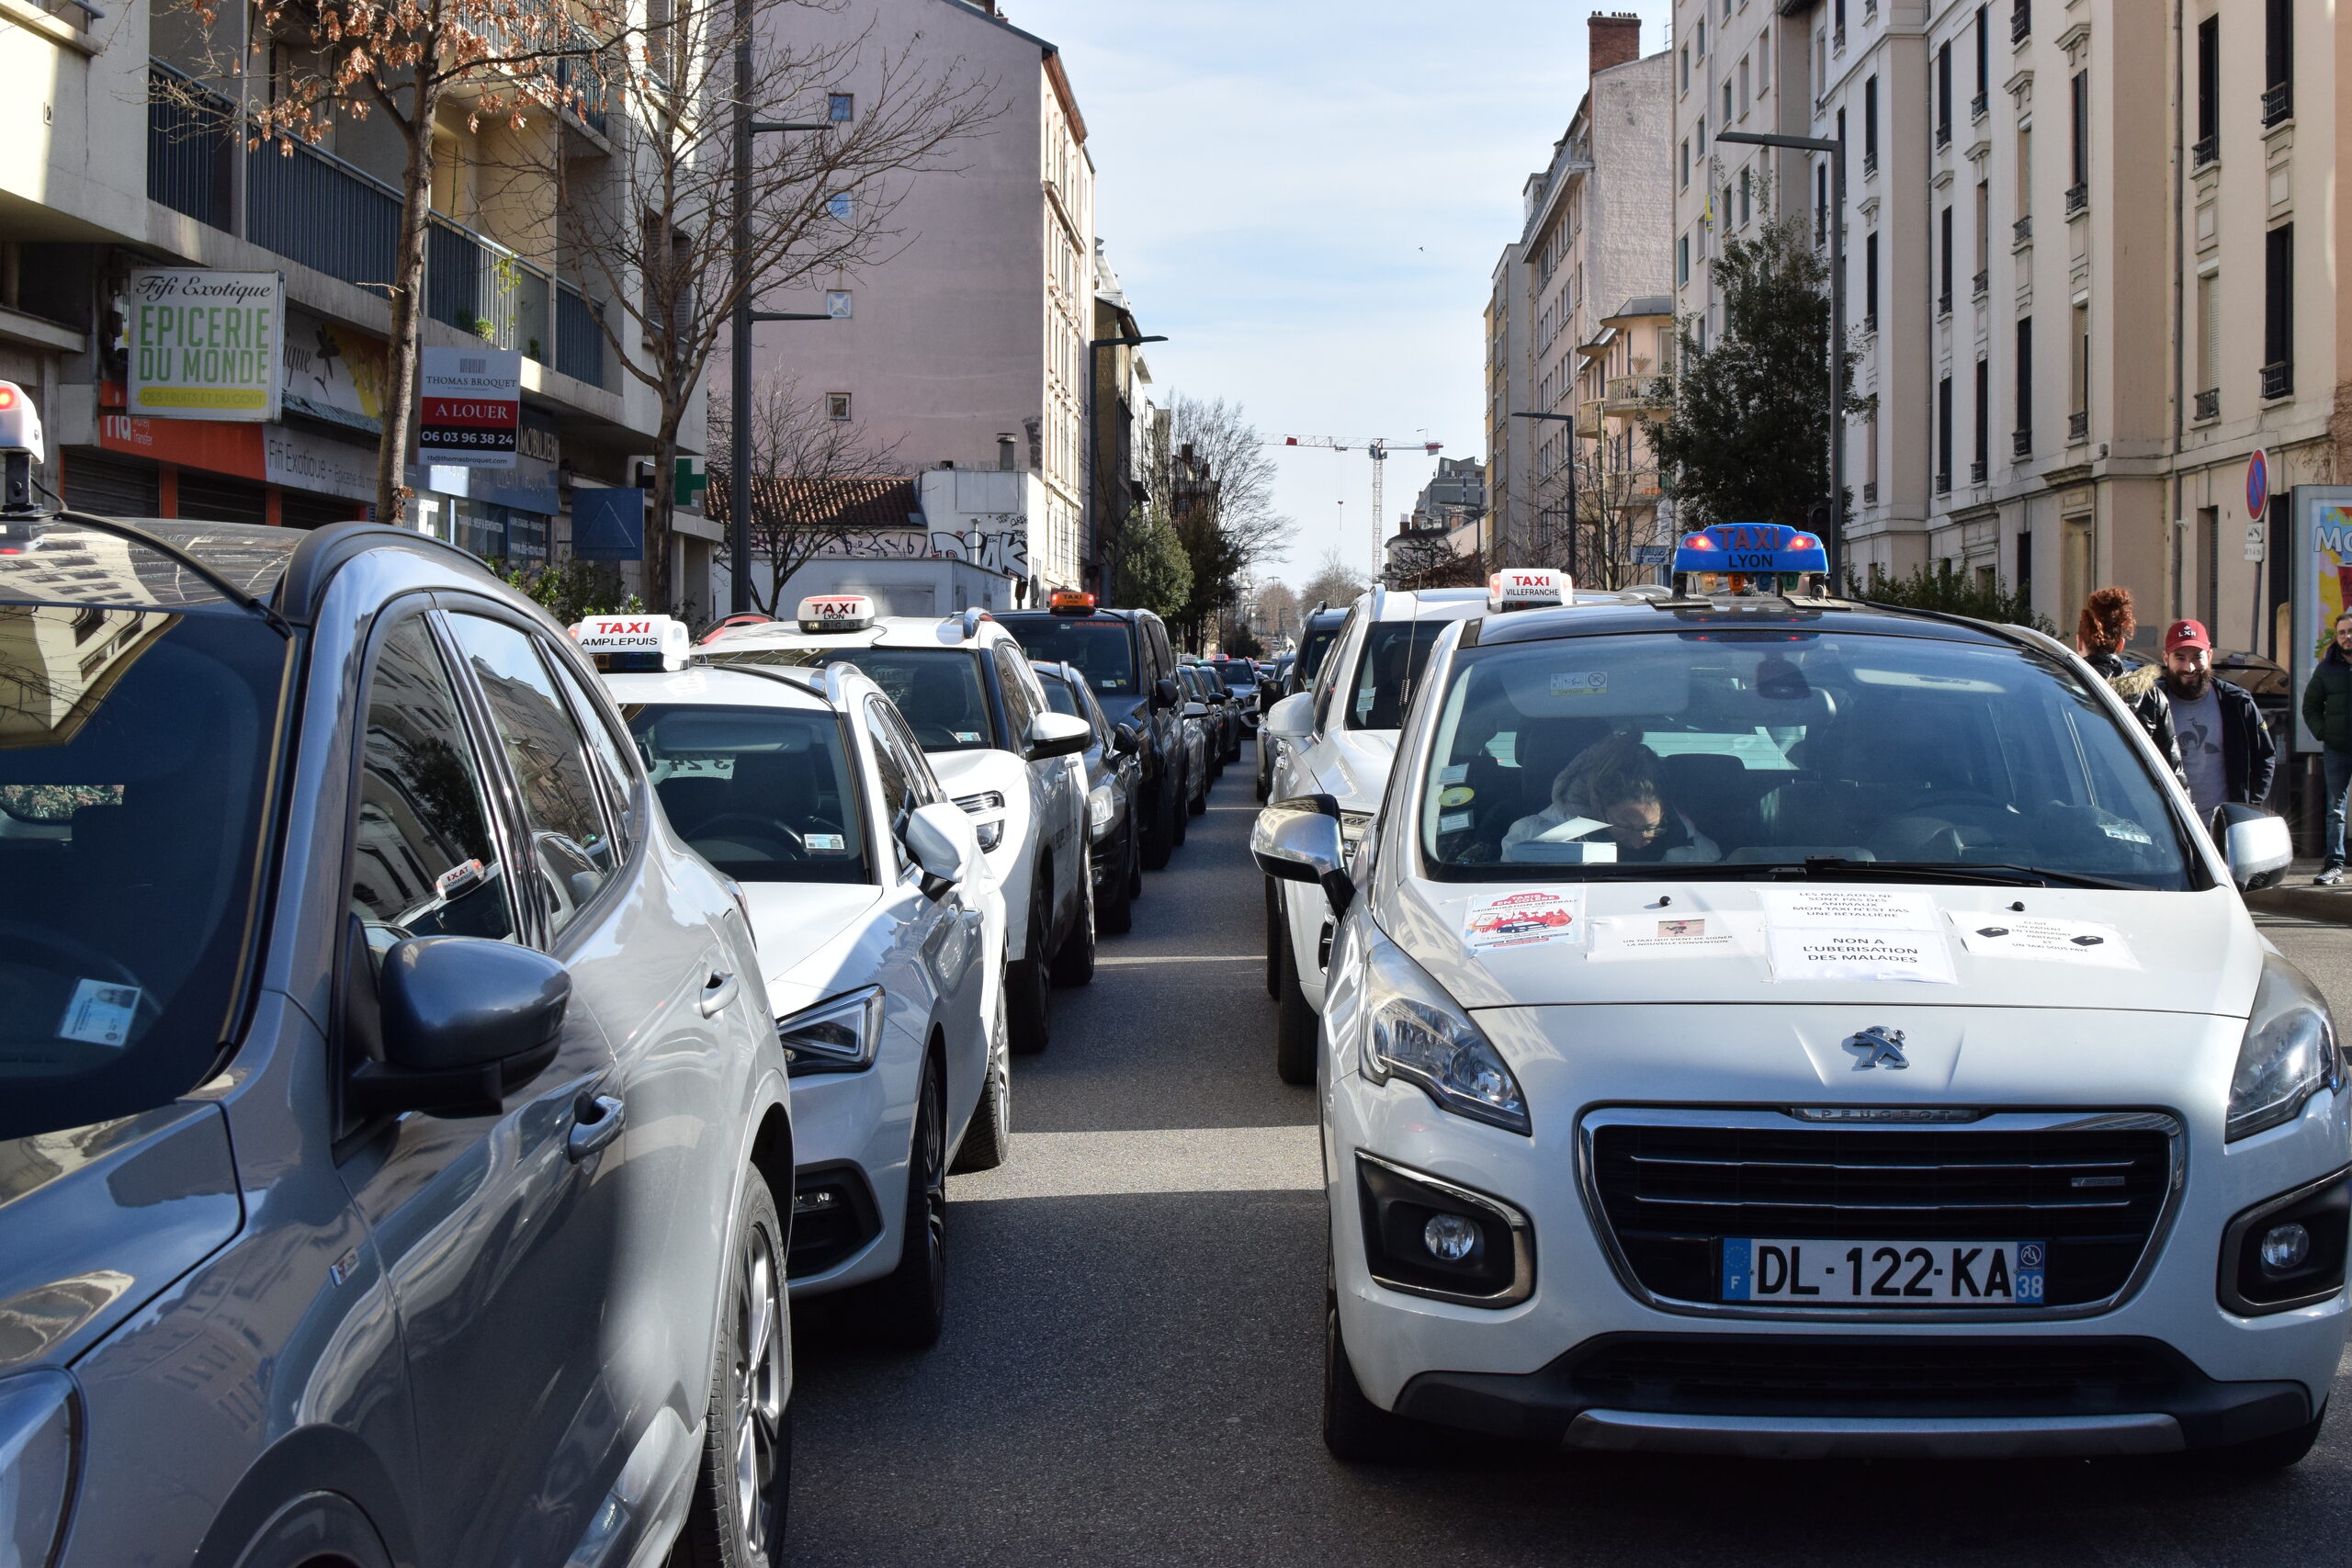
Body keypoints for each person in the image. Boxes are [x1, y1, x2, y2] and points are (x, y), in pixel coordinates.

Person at [1503, 735, 1722, 863]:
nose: (1639, 840)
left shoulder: (1684, 836)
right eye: (1625, 826)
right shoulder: (1535, 836)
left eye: (1651, 828)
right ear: (1597, 804)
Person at [2157, 619, 2275, 836]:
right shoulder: (2152, 704)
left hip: (2223, 829)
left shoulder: (2237, 703)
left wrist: (2246, 808)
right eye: (2180, 658)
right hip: (2167, 828)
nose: (2189, 667)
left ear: (2209, 657)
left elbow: (2265, 758)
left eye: (2197, 657)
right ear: (2166, 659)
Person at [2077, 587, 2187, 786]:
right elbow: (2173, 772)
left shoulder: (2063, 690)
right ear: (2121, 644)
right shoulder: (2151, 696)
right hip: (2139, 808)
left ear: (2079, 642)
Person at [2301, 610, 2352, 883]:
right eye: (2342, 632)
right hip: (2337, 749)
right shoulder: (2326, 669)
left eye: (2351, 632)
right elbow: (2310, 707)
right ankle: (2334, 865)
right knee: (2336, 810)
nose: (2347, 637)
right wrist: (2324, 733)